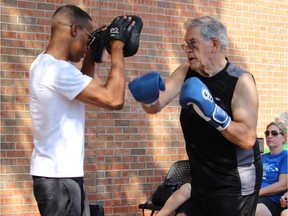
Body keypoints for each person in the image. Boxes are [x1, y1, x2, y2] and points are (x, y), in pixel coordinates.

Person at [129, 16, 262, 216]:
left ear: (214, 45)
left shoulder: (240, 81)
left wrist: (212, 111)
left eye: (193, 43)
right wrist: (147, 98)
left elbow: (247, 139)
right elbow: (156, 105)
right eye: (185, 44)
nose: (187, 49)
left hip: (234, 183)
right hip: (201, 179)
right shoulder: (186, 72)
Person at [29, 5, 135, 215]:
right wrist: (116, 48)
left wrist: (92, 55)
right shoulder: (56, 70)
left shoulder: (45, 63)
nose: (88, 45)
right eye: (88, 39)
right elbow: (114, 99)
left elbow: (83, 85)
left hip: (61, 177)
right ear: (74, 30)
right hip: (58, 179)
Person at [256, 122, 287, 216]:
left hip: (272, 200)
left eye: (274, 133)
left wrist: (256, 193)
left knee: (254, 209)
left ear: (284, 138)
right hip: (255, 196)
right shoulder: (261, 157)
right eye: (267, 133)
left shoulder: (285, 156)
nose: (269, 136)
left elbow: (283, 184)